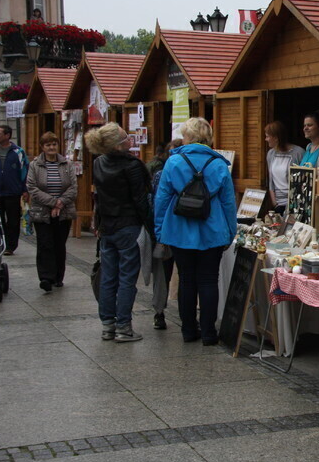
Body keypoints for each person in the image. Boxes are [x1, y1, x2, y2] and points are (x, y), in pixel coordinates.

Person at [155, 118, 236, 345]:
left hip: (179, 230)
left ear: (188, 136)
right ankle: (209, 332)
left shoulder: (173, 162)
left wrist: (159, 230)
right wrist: (231, 231)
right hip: (213, 230)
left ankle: (189, 330)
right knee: (209, 280)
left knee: (186, 280)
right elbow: (229, 203)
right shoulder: (219, 164)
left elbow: (161, 200)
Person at [86, 122, 150, 343]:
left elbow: (98, 198)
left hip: (107, 226)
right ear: (118, 146)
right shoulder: (132, 166)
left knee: (108, 277)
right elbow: (141, 200)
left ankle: (108, 325)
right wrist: (152, 227)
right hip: (128, 225)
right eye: (126, 138)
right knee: (126, 279)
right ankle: (124, 326)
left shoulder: (99, 163)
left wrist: (98, 223)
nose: (130, 141)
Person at [26, 132, 77, 292]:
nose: (51, 147)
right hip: (41, 211)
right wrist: (53, 202)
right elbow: (32, 187)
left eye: (54, 144)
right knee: (45, 243)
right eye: (48, 145)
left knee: (59, 244)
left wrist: (60, 203)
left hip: (63, 211)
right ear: (42, 147)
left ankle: (58, 276)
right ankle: (46, 277)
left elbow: (73, 188)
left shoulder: (67, 165)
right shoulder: (35, 165)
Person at [148, 138, 182, 330]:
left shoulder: (161, 174)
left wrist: (157, 230)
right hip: (183, 231)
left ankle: (159, 312)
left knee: (163, 273)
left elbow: (155, 203)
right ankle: (186, 316)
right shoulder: (192, 172)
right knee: (182, 274)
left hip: (166, 231)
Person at [0, 125, 30, 255]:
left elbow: (25, 171)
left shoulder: (18, 152)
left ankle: (11, 246)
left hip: (13, 192)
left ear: (7, 135)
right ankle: (1, 243)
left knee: (13, 220)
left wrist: (25, 189)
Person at [265, 121, 304, 215]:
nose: (266, 139)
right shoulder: (271, 154)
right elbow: (271, 180)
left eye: (267, 136)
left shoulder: (298, 152)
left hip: (294, 203)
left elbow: (303, 179)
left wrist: (294, 202)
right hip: (278, 203)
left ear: (276, 137)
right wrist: (275, 203)